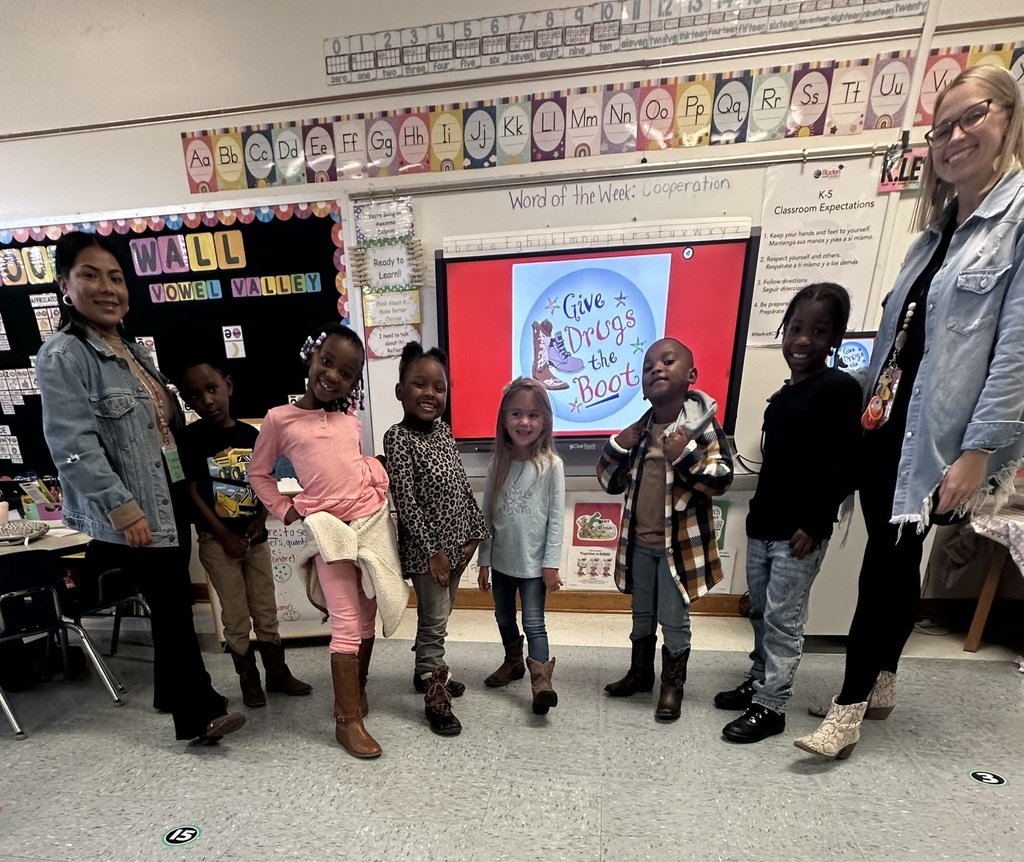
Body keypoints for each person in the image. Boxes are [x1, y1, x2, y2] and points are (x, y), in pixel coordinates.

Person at [796, 65, 1024, 760]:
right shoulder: (933, 235)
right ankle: (883, 679)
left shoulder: (1018, 221)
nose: (954, 137)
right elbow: (900, 343)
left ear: (1008, 117)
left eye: (972, 117)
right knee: (894, 561)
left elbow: (1016, 352)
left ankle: (848, 706)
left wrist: (978, 451)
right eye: (942, 127)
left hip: (939, 438)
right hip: (885, 425)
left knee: (884, 565)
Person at [36, 231, 245, 745]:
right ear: (65, 285)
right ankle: (198, 713)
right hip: (135, 506)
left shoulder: (129, 349)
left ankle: (169, 692)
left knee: (171, 600)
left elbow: (161, 428)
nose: (107, 288)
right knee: (172, 606)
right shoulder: (64, 354)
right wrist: (122, 508)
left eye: (116, 277)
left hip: (168, 495)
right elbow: (72, 446)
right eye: (90, 275)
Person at [716, 284, 862, 743]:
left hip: (799, 532)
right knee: (761, 612)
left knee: (784, 619)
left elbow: (845, 464)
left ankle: (772, 705)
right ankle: (760, 679)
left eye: (818, 331)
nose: (802, 340)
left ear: (834, 338)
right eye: (795, 328)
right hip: (763, 523)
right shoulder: (782, 396)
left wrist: (816, 524)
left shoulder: (840, 389)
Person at [248, 323, 401, 760]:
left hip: (369, 524)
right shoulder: (279, 419)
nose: (333, 376)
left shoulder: (350, 422)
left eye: (346, 373)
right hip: (329, 532)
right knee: (347, 623)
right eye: (327, 362)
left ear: (354, 383)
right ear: (311, 357)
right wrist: (286, 510)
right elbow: (258, 473)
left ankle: (358, 690)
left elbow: (352, 464)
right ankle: (346, 720)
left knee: (369, 613)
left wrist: (372, 474)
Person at [599, 338, 734, 722]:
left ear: (691, 375)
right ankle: (640, 673)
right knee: (641, 612)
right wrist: (618, 445)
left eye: (668, 361)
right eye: (647, 366)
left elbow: (721, 479)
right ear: (643, 387)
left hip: (679, 549)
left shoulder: (701, 429)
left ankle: (672, 686)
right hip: (640, 544)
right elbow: (608, 481)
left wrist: (684, 455)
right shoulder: (639, 432)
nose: (656, 368)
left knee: (674, 618)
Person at [176, 352, 311, 709]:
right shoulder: (189, 439)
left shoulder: (251, 434)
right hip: (217, 543)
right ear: (186, 400)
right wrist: (224, 536)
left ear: (228, 386)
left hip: (256, 540)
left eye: (212, 389)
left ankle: (276, 673)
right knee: (235, 614)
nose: (207, 400)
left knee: (266, 609)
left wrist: (260, 519)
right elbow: (192, 493)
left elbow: (264, 480)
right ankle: (248, 678)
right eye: (195, 395)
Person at [383, 342, 489, 736]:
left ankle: (426, 671)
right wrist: (434, 553)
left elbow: (461, 486)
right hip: (428, 553)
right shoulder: (397, 438)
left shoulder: (444, 431)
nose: (430, 393)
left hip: (458, 547)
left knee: (440, 614)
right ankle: (435, 694)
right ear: (400, 391)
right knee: (434, 623)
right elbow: (405, 502)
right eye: (419, 384)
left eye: (439, 387)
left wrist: (474, 536)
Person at [477, 377, 565, 716]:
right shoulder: (496, 465)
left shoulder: (552, 466)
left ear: (545, 421)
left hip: (533, 567)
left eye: (533, 415)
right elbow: (487, 517)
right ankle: (513, 662)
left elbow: (555, 520)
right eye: (516, 414)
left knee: (534, 623)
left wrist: (550, 565)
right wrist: (484, 561)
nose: (524, 422)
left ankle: (541, 682)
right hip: (501, 563)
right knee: (503, 616)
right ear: (504, 419)